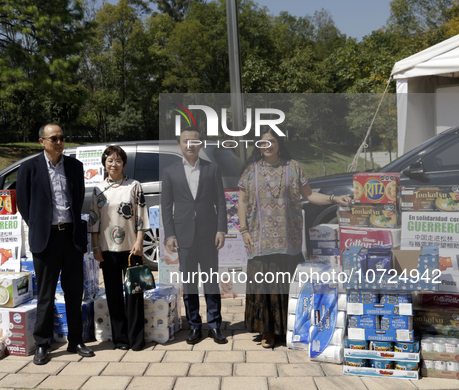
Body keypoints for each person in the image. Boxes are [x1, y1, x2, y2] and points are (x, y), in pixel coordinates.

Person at [237, 126, 351, 349]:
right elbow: (241, 201)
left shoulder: (294, 167)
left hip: (289, 240)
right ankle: (268, 331)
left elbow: (309, 195)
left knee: (288, 284)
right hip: (260, 240)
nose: (267, 146)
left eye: (272, 141)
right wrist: (244, 230)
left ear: (279, 143)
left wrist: (334, 197)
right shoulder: (250, 170)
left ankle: (290, 329)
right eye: (263, 142)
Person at [16, 123, 95, 365]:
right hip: (46, 239)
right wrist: (40, 225)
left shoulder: (74, 166)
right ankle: (42, 343)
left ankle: (75, 340)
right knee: (46, 295)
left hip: (71, 237)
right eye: (54, 138)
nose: (59, 142)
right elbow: (23, 203)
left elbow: (78, 196)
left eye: (62, 138)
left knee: (74, 292)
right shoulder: (29, 167)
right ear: (42, 141)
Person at [161, 127, 228, 345]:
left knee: (210, 282)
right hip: (184, 236)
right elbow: (166, 206)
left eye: (194, 141)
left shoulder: (212, 169)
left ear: (200, 144)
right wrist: (170, 234)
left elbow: (221, 202)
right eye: (186, 141)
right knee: (190, 283)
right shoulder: (170, 172)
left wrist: (221, 229)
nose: (190, 145)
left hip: (209, 235)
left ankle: (215, 326)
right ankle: (194, 326)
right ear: (179, 145)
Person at [89, 145, 150, 351]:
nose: (113, 164)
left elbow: (141, 216)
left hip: (132, 248)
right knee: (113, 295)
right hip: (107, 249)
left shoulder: (135, 186)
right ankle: (120, 339)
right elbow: (94, 220)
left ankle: (137, 339)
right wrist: (95, 246)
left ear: (124, 164)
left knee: (134, 294)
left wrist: (140, 241)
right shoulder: (98, 189)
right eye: (109, 161)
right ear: (104, 164)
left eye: (118, 161)